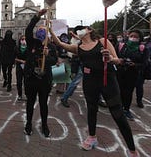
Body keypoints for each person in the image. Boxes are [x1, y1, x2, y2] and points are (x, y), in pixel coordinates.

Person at [50, 25, 139, 157]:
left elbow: (117, 60)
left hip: (107, 81)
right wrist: (50, 29)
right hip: (90, 82)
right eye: (77, 31)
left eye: (82, 29)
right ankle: (92, 137)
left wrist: (110, 58)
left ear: (90, 30)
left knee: (118, 115)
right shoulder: (78, 48)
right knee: (91, 109)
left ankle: (132, 150)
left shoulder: (103, 42)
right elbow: (59, 43)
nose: (79, 32)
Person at [23, 9, 58, 137]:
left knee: (43, 103)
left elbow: (54, 60)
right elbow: (28, 30)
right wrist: (37, 16)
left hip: (44, 81)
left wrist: (47, 57)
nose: (41, 31)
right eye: (39, 29)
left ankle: (44, 125)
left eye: (44, 29)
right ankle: (28, 124)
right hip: (31, 79)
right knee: (30, 103)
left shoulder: (51, 46)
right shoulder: (32, 43)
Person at [116, 29, 149, 119]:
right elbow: (115, 56)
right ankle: (119, 107)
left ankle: (126, 109)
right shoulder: (121, 46)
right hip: (120, 71)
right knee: (119, 90)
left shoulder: (143, 49)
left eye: (136, 37)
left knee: (128, 92)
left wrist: (135, 64)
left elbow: (145, 63)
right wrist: (120, 61)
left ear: (140, 38)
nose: (133, 38)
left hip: (133, 73)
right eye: (131, 36)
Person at [15, 35, 27, 101]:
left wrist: (26, 61)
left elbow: (31, 56)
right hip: (19, 66)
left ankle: (26, 94)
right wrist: (21, 61)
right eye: (22, 39)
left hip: (26, 66)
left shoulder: (28, 48)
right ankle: (20, 94)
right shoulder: (17, 48)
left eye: (25, 39)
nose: (23, 41)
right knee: (19, 81)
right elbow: (14, 58)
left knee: (26, 81)